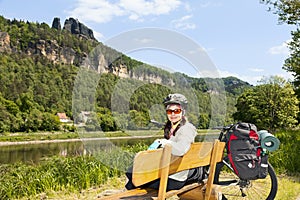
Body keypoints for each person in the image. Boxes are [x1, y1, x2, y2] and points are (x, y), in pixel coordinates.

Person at [125, 93, 204, 191]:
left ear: (183, 111)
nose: (173, 114)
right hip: (170, 172)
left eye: (177, 110)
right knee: (132, 173)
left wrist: (164, 142)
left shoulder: (187, 128)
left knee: (133, 180)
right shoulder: (171, 128)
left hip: (175, 178)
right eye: (170, 111)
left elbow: (181, 149)